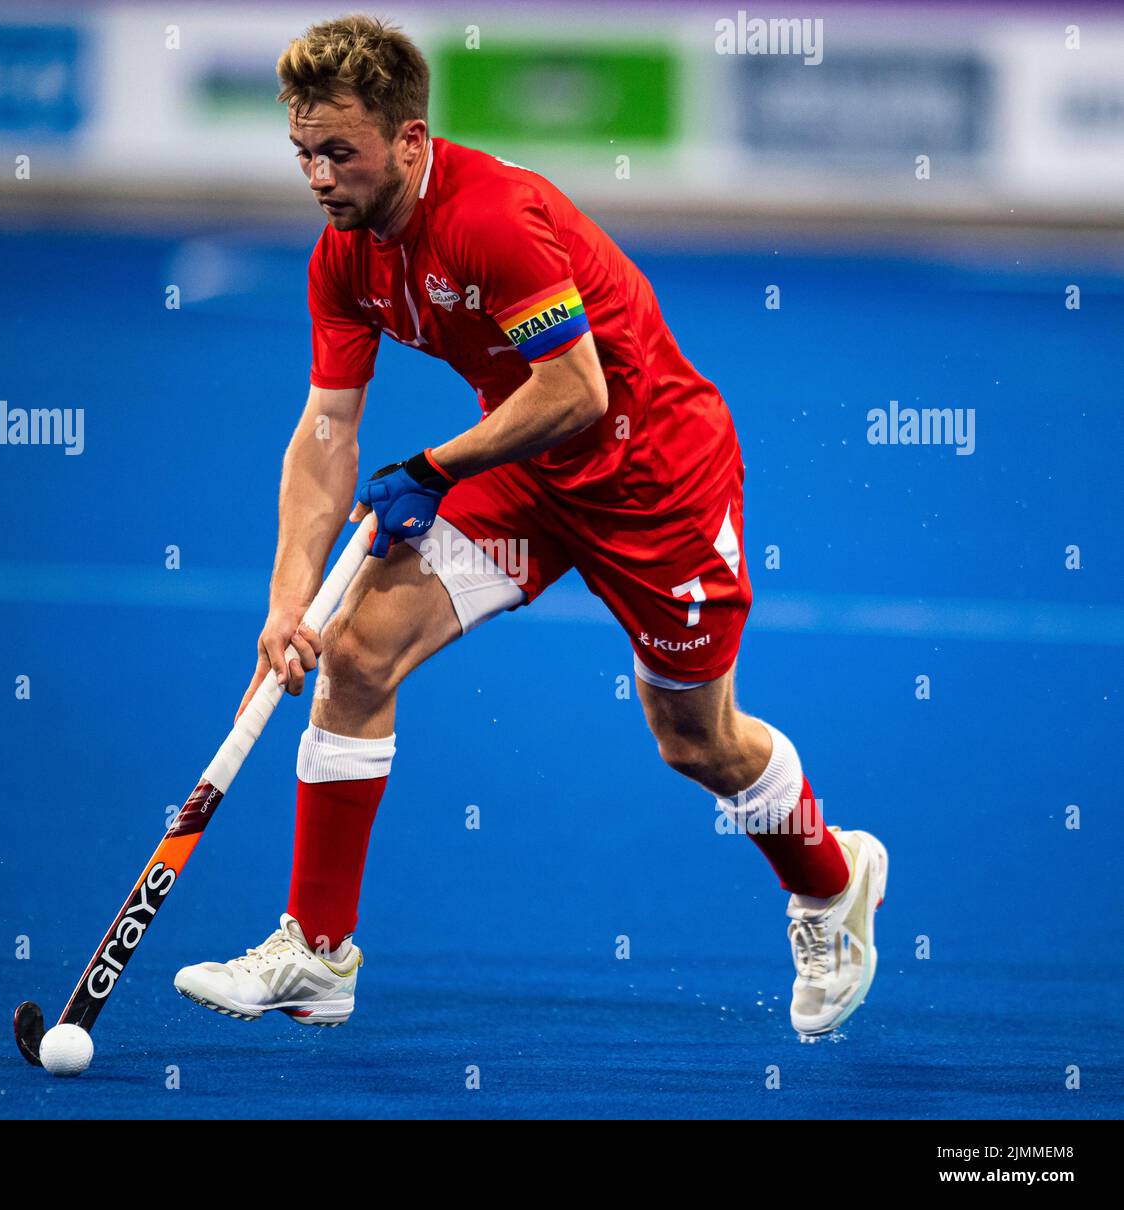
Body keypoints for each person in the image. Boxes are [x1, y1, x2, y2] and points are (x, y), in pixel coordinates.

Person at [174, 15, 888, 1037]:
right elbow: (327, 427)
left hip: (656, 484)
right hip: (529, 473)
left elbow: (577, 391)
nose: (320, 177)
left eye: (340, 152)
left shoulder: (489, 219)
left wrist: (431, 466)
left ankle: (831, 881)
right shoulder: (342, 259)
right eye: (304, 155)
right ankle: (318, 952)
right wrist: (286, 602)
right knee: (356, 651)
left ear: (410, 142)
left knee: (694, 741)